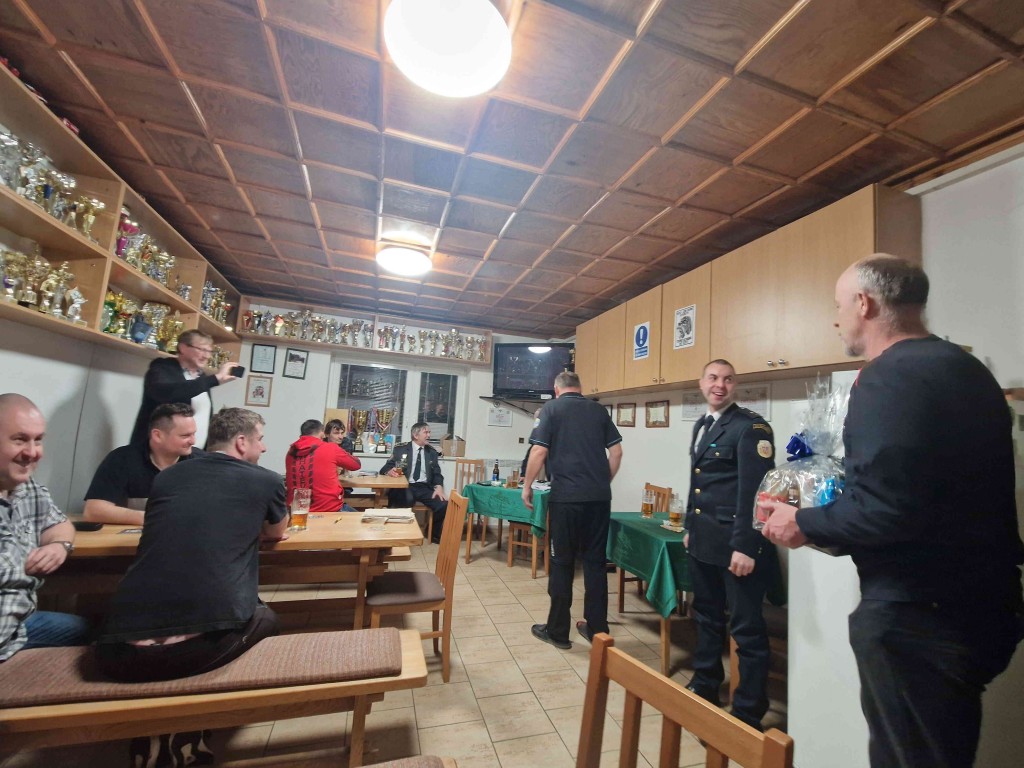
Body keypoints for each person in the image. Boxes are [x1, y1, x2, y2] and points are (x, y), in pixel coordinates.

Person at [759, 255, 1024, 767]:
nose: (835, 320)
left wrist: (802, 522)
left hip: (919, 618)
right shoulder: (967, 370)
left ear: (864, 303)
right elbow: (924, 495)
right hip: (983, 605)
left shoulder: (888, 376)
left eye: (838, 306)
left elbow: (886, 510)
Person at [683, 359, 776, 730]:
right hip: (704, 540)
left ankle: (749, 711)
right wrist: (690, 526)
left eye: (727, 379)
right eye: (712, 378)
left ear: (735, 385)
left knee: (746, 630)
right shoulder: (703, 424)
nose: (719, 385)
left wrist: (747, 546)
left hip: (736, 547)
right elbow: (698, 483)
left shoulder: (751, 427)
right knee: (705, 617)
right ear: (701, 382)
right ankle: (705, 682)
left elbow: (757, 492)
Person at [523, 371, 622, 650]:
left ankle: (557, 632)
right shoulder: (599, 411)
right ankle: (597, 630)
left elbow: (539, 452)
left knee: (562, 563)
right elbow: (616, 453)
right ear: (580, 388)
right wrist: (602, 482)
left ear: (556, 390)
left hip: (566, 499)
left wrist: (527, 486)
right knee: (595, 563)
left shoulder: (551, 409)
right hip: (599, 499)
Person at [0, 393, 90, 662]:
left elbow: (60, 524)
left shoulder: (26, 488)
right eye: (19, 439)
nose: (32, 452)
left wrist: (59, 546)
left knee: (93, 630)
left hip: (19, 627)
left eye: (38, 440)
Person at [84, 403, 201, 526]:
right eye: (185, 436)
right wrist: (156, 519)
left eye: (193, 434)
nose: (193, 441)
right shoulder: (121, 460)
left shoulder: (202, 462)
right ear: (157, 435)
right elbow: (93, 511)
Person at [130, 329, 239, 448]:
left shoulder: (201, 377)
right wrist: (216, 378)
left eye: (209, 351)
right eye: (202, 350)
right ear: (183, 348)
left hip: (194, 453)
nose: (207, 356)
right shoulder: (162, 368)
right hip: (157, 451)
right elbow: (168, 393)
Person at [381, 422, 447, 543]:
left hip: (424, 487)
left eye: (429, 432)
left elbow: (437, 473)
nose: (429, 435)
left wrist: (439, 487)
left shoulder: (432, 452)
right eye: (426, 432)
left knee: (443, 504)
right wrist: (390, 471)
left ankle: (432, 533)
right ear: (416, 435)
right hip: (405, 485)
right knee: (407, 499)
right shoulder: (400, 449)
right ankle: (399, 533)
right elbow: (385, 468)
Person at [285, 419, 361, 512]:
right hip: (328, 509)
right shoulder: (331, 448)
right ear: (322, 433)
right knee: (363, 519)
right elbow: (356, 465)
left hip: (296, 510)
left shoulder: (291, 452)